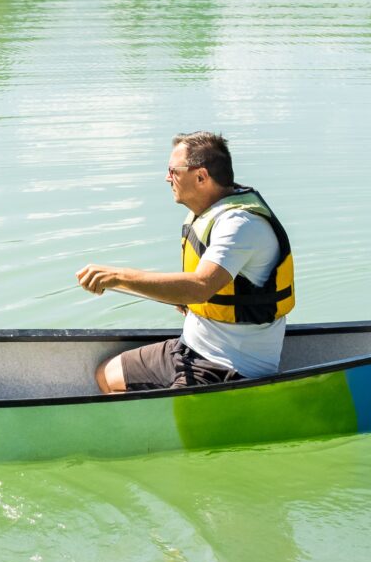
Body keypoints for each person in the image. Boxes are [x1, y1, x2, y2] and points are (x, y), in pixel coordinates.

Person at [76, 131, 292, 392]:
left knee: (175, 414)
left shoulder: (240, 225)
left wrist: (118, 276)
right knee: (107, 375)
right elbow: (197, 289)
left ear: (201, 176)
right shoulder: (206, 214)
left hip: (228, 368)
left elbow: (200, 286)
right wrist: (181, 297)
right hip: (189, 348)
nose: (167, 178)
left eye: (173, 170)